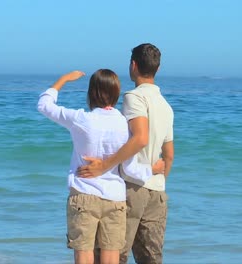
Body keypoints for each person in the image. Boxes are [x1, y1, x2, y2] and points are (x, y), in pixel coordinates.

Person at [37, 69, 164, 264]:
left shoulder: (81, 119)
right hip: (115, 198)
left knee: (83, 255)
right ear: (116, 94)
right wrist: (151, 170)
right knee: (112, 257)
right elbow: (129, 168)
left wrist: (63, 80)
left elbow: (44, 105)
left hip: (84, 194)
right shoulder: (124, 124)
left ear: (91, 93)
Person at [77, 43, 174, 264]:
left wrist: (104, 165)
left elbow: (140, 138)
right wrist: (157, 181)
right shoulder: (166, 106)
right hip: (157, 190)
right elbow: (168, 154)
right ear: (157, 70)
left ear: (133, 65)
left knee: (114, 254)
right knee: (151, 258)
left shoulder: (134, 97)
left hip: (132, 187)